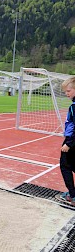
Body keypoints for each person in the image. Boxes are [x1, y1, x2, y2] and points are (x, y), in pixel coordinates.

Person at [56, 77, 75, 205]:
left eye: (69, 90)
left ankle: (72, 196)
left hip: (72, 140)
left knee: (65, 165)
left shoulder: (74, 107)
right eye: (65, 91)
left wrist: (69, 143)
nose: (66, 93)